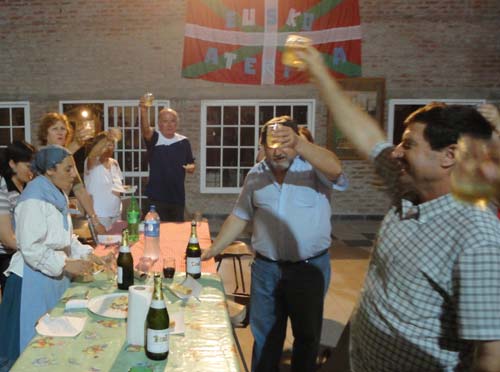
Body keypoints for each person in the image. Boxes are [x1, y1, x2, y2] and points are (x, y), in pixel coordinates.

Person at [298, 47, 500, 371]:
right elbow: (365, 134)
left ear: (448, 156)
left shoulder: (478, 238)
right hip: (354, 358)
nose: (394, 153)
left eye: (408, 144)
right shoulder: (409, 192)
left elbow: (491, 358)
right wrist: (320, 74)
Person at [202, 116, 347, 372]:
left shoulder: (314, 170)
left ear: (296, 142)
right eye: (272, 143)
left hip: (308, 270)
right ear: (262, 146)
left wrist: (300, 144)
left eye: (285, 142)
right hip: (266, 270)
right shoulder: (256, 176)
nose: (278, 150)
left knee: (307, 336)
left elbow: (336, 169)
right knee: (266, 335)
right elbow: (240, 215)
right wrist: (214, 249)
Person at [0, 145, 93, 369]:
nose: (74, 175)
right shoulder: (33, 199)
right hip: (30, 284)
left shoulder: (56, 194)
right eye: (68, 169)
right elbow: (31, 249)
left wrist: (90, 256)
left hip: (50, 280)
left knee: (52, 344)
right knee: (28, 349)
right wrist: (66, 264)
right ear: (50, 170)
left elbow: (65, 238)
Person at [38, 112, 106, 234]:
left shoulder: (68, 156)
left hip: (62, 217)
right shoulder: (40, 154)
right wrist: (77, 144)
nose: (60, 132)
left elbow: (79, 189)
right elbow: (53, 162)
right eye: (54, 128)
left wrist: (95, 220)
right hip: (43, 218)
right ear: (45, 134)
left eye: (63, 129)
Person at [138, 100, 195, 221]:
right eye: (165, 121)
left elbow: (191, 163)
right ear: (159, 124)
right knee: (154, 233)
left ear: (177, 124)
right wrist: (144, 111)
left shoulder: (184, 142)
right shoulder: (155, 138)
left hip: (177, 198)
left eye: (172, 121)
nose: (169, 125)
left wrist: (191, 167)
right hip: (155, 198)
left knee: (175, 235)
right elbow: (146, 130)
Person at [0, 141, 35, 296]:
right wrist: (37, 249)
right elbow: (7, 239)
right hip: (6, 257)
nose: (32, 171)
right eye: (28, 166)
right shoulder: (3, 189)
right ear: (12, 164)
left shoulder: (27, 187)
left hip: (22, 251)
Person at [84, 128, 124, 230]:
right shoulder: (91, 162)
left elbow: (118, 185)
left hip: (116, 213)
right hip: (99, 215)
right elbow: (93, 154)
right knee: (103, 245)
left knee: (117, 244)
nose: (110, 148)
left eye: (112, 144)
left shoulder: (114, 162)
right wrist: (106, 138)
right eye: (106, 144)